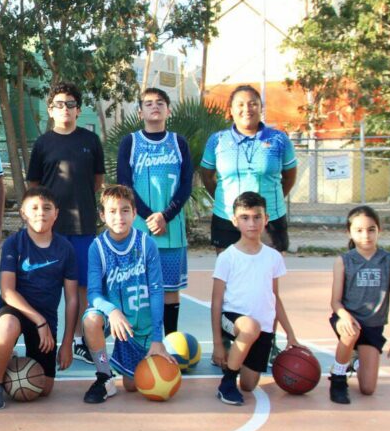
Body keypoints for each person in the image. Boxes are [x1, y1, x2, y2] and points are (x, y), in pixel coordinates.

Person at [26, 81, 105, 364]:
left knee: (82, 287)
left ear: (78, 109)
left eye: (70, 104)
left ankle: (82, 341)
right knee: (46, 285)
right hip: (49, 231)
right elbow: (34, 185)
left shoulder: (90, 140)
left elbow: (97, 182)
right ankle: (41, 337)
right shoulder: (43, 143)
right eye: (59, 104)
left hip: (83, 226)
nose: (65, 109)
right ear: (50, 110)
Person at [0, 187, 79, 410]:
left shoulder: (65, 248)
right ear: (23, 214)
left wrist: (67, 344)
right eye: (34, 208)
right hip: (17, 310)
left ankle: (11, 362)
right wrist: (39, 321)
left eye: (47, 208)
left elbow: (72, 299)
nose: (41, 213)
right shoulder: (14, 244)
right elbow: (7, 292)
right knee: (5, 327)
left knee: (43, 388)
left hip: (46, 316)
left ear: (56, 213)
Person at [82, 185, 169, 404]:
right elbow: (93, 293)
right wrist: (112, 312)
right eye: (112, 211)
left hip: (141, 321)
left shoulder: (146, 244)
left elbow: (157, 291)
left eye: (125, 210)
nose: (119, 216)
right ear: (102, 215)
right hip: (114, 318)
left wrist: (158, 339)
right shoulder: (97, 247)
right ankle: (104, 375)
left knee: (133, 385)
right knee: (91, 320)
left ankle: (151, 349)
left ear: (134, 213)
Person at [211, 192, 299, 406]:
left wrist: (290, 334)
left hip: (264, 327)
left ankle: (238, 356)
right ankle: (227, 382)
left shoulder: (273, 257)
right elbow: (216, 302)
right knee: (249, 328)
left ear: (266, 219)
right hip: (233, 318)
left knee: (249, 385)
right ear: (235, 221)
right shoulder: (227, 257)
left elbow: (275, 297)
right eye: (245, 217)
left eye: (257, 217)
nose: (252, 223)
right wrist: (217, 344)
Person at [116, 87, 192, 335]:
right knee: (139, 287)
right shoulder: (130, 142)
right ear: (140, 112)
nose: (155, 106)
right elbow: (124, 184)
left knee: (170, 289)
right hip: (140, 228)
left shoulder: (179, 142)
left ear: (168, 110)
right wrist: (150, 216)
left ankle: (170, 343)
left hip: (172, 230)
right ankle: (142, 340)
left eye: (160, 103)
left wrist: (165, 215)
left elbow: (186, 184)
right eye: (148, 103)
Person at [199, 85, 297, 254]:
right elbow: (207, 176)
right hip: (227, 217)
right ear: (231, 110)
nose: (247, 109)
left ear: (261, 108)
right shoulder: (217, 141)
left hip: (270, 217)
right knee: (230, 275)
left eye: (253, 104)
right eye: (240, 104)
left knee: (267, 275)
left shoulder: (279, 139)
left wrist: (270, 202)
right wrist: (225, 200)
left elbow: (289, 178)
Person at [328, 205, 390, 404]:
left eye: (371, 229)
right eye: (359, 230)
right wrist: (344, 315)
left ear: (380, 230)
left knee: (368, 389)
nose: (366, 235)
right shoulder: (344, 261)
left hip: (372, 326)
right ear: (349, 232)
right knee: (351, 332)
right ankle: (338, 378)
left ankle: (355, 358)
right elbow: (335, 302)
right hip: (348, 320)